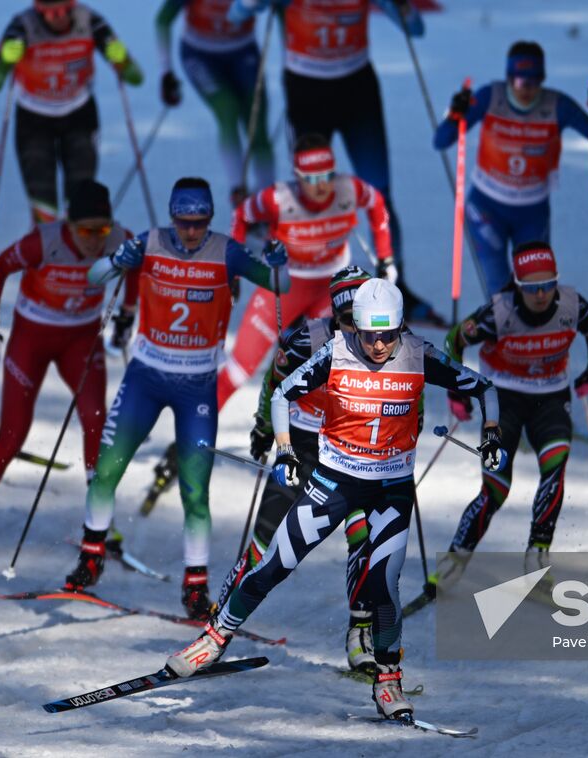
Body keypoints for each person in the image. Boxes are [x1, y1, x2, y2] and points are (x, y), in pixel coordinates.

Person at [165, 278, 502, 721]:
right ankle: (213, 640)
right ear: (355, 328)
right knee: (273, 564)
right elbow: (284, 393)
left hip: (391, 489)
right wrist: (284, 447)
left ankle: (388, 680)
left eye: (388, 335)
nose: (379, 345)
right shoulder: (335, 352)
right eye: (369, 335)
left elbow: (485, 388)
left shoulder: (418, 353)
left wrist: (492, 432)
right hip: (334, 482)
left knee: (384, 584)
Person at [67, 177, 287, 620]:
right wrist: (115, 261)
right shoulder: (149, 242)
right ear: (172, 218)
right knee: (106, 469)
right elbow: (92, 278)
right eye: (184, 223)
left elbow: (278, 285)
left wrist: (279, 262)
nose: (191, 233)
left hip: (197, 386)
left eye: (200, 223)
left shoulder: (225, 251)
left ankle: (195, 586)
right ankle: (91, 556)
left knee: (194, 492)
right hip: (147, 375)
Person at [140, 134, 400, 508]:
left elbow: (377, 205)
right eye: (309, 180)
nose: (320, 186)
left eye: (326, 175)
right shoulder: (279, 198)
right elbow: (243, 214)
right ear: (296, 178)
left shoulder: (349, 189)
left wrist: (386, 258)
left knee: (337, 373)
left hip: (334, 290)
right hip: (286, 284)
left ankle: (333, 456)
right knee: (240, 366)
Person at [0, 181, 134, 557]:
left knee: (95, 419)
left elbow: (139, 267)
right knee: (12, 434)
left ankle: (100, 518)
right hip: (31, 340)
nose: (93, 240)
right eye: (85, 230)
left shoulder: (121, 240)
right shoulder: (45, 241)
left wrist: (127, 314)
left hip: (82, 341)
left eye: (101, 229)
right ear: (69, 226)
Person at [225, 0, 441, 323]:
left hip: (357, 90)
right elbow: (235, 15)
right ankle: (305, 294)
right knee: (309, 199)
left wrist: (404, 8)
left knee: (379, 191)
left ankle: (398, 289)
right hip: (307, 91)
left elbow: (416, 29)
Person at [215, 264, 376, 671]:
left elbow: (409, 382)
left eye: (359, 322)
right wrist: (265, 427)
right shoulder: (308, 339)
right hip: (303, 441)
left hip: (351, 448)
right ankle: (217, 627)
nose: (352, 334)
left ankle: (361, 634)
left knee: (363, 533)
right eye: (344, 323)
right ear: (333, 316)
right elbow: (274, 381)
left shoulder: (385, 341)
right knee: (265, 537)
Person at [432, 242, 588, 589]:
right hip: (502, 398)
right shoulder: (500, 313)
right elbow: (454, 340)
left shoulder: (572, 305)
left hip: (550, 396)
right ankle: (457, 556)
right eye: (531, 288)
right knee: (496, 487)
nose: (540, 295)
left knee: (555, 466)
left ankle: (536, 556)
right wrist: (457, 389)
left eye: (547, 285)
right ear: (518, 286)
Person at [434, 40, 588, 295]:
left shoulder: (558, 106)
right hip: (486, 209)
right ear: (509, 78)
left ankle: (532, 335)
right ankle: (498, 334)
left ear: (542, 80)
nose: (527, 90)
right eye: (521, 82)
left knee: (536, 290)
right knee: (499, 294)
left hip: (532, 212)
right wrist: (455, 114)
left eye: (534, 83)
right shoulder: (490, 97)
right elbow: (441, 141)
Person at [0, 0, 144, 224]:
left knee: (80, 206)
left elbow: (136, 78)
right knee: (43, 209)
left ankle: (76, 256)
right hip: (34, 120)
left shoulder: (91, 22)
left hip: (79, 116)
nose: (56, 18)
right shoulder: (22, 27)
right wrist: (3, 62)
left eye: (63, 10)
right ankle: (45, 255)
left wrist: (122, 60)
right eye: (47, 12)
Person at [155, 0, 274, 204]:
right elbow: (162, 20)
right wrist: (166, 70)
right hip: (200, 55)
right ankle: (238, 191)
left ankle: (267, 198)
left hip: (243, 52)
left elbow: (285, 8)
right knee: (227, 109)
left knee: (257, 124)